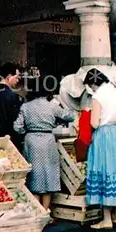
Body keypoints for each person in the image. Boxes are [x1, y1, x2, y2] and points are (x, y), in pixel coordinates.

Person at [13, 77, 74, 211]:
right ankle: (46, 211)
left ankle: (37, 211)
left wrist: (26, 131)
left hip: (31, 141)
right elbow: (70, 116)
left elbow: (17, 127)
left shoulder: (25, 106)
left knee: (34, 176)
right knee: (48, 175)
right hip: (48, 141)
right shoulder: (51, 106)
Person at [83, 68, 116, 230]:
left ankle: (106, 220)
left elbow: (94, 123)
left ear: (92, 83)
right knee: (115, 170)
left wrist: (87, 115)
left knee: (104, 170)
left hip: (103, 135)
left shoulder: (97, 97)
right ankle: (115, 215)